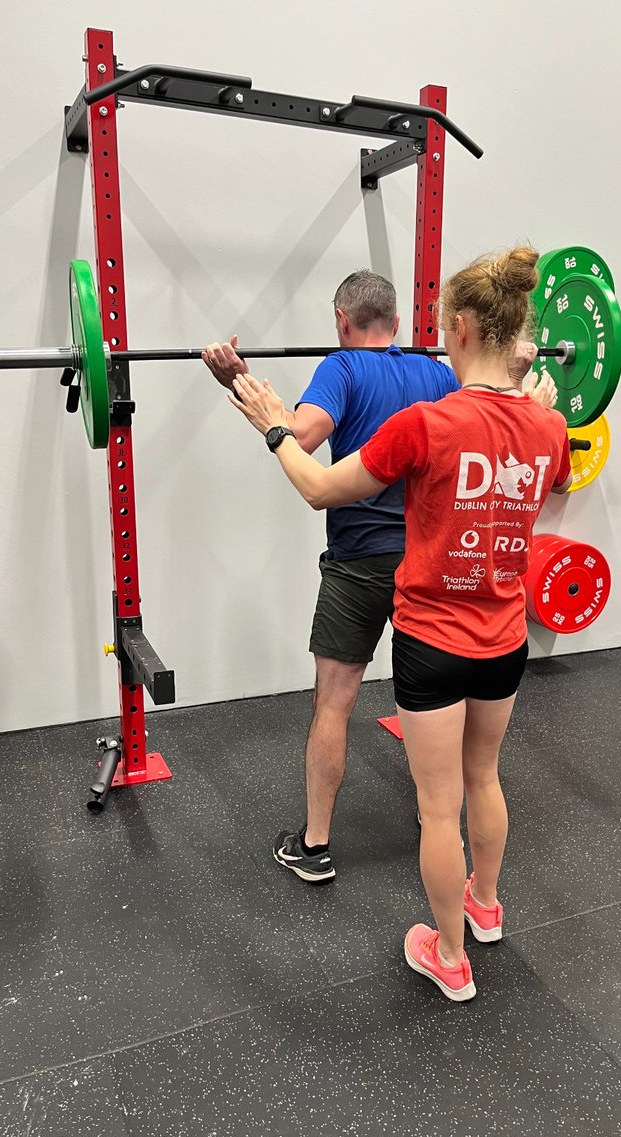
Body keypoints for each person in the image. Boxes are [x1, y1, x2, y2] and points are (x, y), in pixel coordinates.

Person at [225, 247, 571, 1001]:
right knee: (485, 778)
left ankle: (449, 956)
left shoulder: (427, 423)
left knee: (438, 808)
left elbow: (319, 487)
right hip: (506, 639)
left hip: (435, 641)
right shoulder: (549, 429)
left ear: (458, 328)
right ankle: (485, 908)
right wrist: (537, 398)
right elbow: (556, 494)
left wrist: (273, 425)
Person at [203, 273, 462, 883]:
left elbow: (297, 435)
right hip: (427, 561)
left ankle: (315, 846)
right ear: (397, 323)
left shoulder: (342, 368)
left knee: (336, 700)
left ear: (342, 319)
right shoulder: (439, 373)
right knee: (435, 696)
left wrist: (234, 380)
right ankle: (438, 816)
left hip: (357, 564)